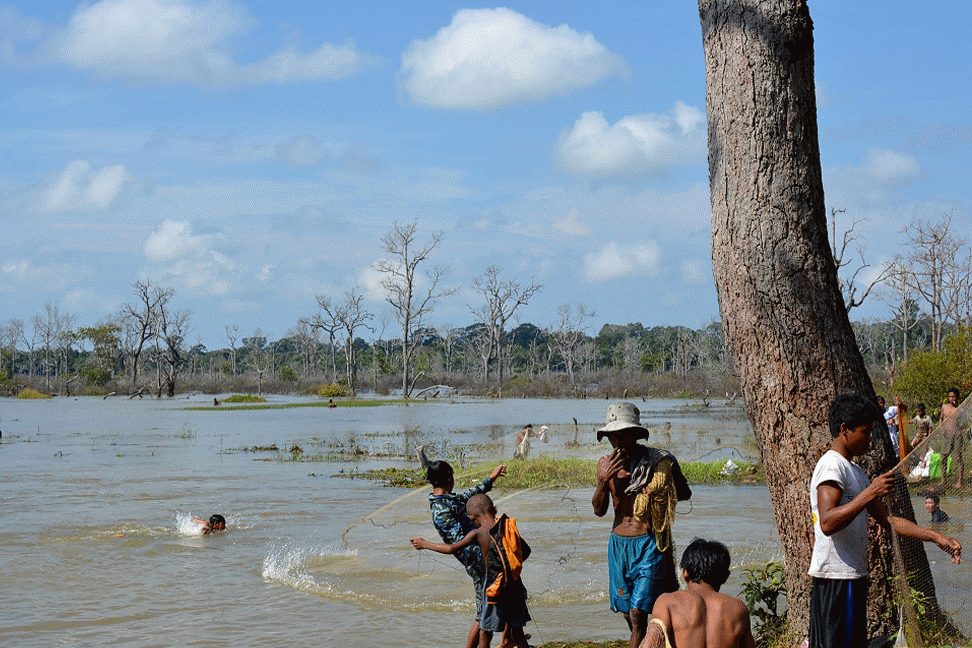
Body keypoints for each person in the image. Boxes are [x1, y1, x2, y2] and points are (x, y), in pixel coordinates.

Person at [808, 393, 962, 648]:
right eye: (865, 432)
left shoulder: (855, 471)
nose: (869, 440)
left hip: (853, 577)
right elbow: (827, 522)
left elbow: (889, 520)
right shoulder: (832, 466)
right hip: (835, 579)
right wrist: (870, 492)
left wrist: (937, 537)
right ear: (845, 430)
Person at [592, 401, 692, 648]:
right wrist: (603, 482)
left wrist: (660, 488)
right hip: (619, 545)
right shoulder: (605, 465)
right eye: (613, 436)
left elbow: (685, 493)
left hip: (648, 542)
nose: (618, 441)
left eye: (623, 435)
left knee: (638, 613)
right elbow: (598, 510)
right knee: (629, 613)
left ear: (635, 435)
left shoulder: (659, 461)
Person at [411, 494, 531, 648]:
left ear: (471, 518)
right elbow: (526, 551)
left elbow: (451, 548)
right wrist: (509, 568)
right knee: (518, 632)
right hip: (514, 583)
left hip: (493, 586)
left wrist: (424, 543)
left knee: (485, 632)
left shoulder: (478, 533)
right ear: (495, 509)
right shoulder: (507, 528)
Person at [424, 458, 512, 648]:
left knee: (500, 599)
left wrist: (490, 479)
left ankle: (507, 639)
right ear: (450, 479)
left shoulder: (447, 500)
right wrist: (491, 556)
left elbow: (468, 498)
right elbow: (459, 545)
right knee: (483, 613)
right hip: (479, 563)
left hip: (484, 558)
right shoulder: (440, 511)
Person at [640, 538, 755, 648]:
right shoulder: (738, 608)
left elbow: (649, 644)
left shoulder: (668, 602)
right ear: (725, 576)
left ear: (684, 572)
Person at [938, 388, 965, 489]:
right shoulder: (944, 407)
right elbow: (941, 419)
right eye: (950, 396)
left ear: (957, 397)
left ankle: (960, 481)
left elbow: (965, 422)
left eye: (953, 396)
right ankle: (943, 480)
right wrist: (941, 428)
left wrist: (960, 429)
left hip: (957, 435)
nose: (951, 398)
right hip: (947, 436)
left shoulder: (961, 409)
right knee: (943, 458)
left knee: (958, 458)